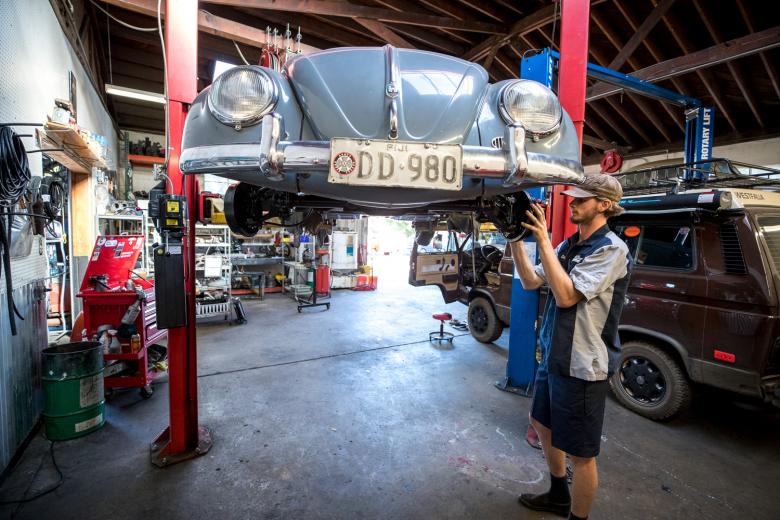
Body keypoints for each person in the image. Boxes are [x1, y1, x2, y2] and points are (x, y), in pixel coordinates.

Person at [510, 173, 631, 520]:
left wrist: (543, 240)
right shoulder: (568, 246)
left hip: (583, 364)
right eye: (573, 198)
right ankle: (558, 495)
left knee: (581, 453)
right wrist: (515, 237)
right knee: (541, 423)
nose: (573, 203)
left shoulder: (611, 250)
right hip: (555, 355)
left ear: (604, 205)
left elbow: (565, 297)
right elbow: (530, 281)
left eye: (581, 199)